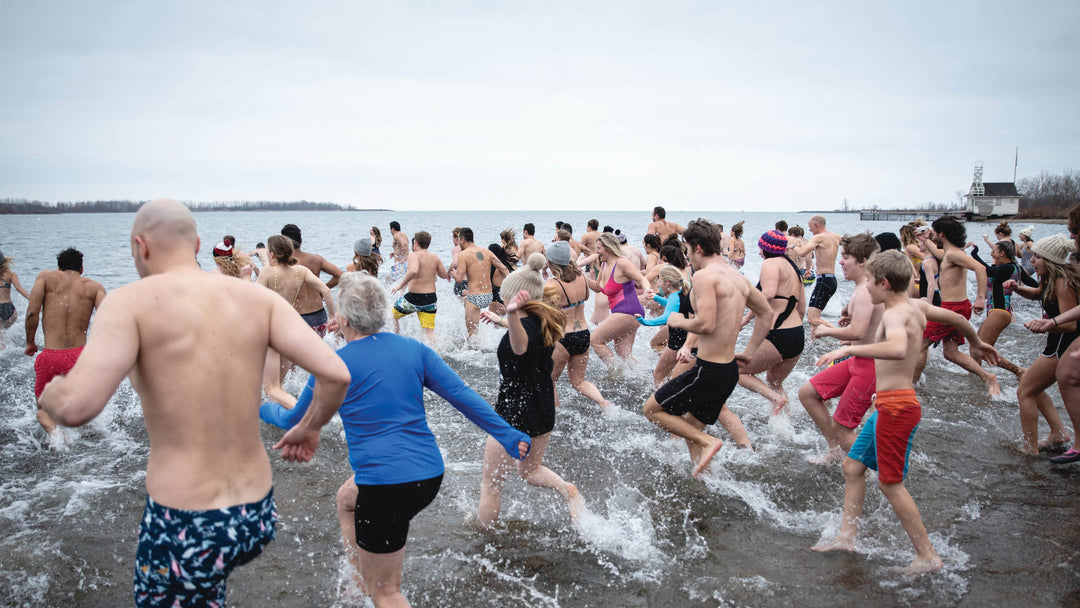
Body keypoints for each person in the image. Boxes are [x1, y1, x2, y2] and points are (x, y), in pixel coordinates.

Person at [37, 199, 351, 607]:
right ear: (198, 244)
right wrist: (309, 427)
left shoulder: (129, 303)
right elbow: (336, 374)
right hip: (254, 514)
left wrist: (51, 394)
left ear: (139, 246)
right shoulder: (256, 299)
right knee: (206, 591)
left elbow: (78, 407)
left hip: (185, 517)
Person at [263, 272, 529, 608]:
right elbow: (461, 395)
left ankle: (373, 589)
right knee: (347, 498)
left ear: (342, 318)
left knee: (388, 593)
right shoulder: (414, 350)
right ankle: (360, 583)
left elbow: (292, 420)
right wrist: (507, 433)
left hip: (386, 485)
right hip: (428, 475)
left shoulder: (335, 365)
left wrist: (258, 410)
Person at [811, 250, 999, 574]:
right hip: (892, 405)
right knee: (853, 466)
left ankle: (927, 557)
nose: (866, 287)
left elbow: (897, 348)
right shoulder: (917, 306)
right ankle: (847, 537)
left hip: (897, 407)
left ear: (884, 283)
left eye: (870, 280)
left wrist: (847, 348)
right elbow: (959, 319)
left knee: (890, 484)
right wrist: (976, 342)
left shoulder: (895, 314)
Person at [642, 219, 773, 476]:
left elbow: (706, 323)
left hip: (708, 370)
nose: (687, 256)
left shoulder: (704, 277)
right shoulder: (738, 278)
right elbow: (766, 313)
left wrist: (676, 319)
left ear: (698, 248)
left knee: (651, 410)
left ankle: (709, 442)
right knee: (691, 426)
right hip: (727, 372)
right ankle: (706, 481)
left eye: (688, 250)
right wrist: (748, 352)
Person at [477, 255, 585, 527]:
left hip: (513, 411)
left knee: (490, 487)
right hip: (542, 407)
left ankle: (482, 540)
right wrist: (501, 318)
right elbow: (525, 335)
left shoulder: (522, 324)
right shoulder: (545, 320)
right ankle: (567, 490)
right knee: (530, 471)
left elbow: (520, 346)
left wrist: (510, 315)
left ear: (516, 298)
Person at [798, 233, 884, 463]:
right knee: (808, 393)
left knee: (842, 425)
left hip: (870, 366)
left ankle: (879, 473)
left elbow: (857, 331)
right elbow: (864, 330)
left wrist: (829, 330)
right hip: (856, 360)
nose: (841, 261)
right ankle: (835, 450)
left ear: (863, 260)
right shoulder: (861, 289)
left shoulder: (866, 290)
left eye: (846, 257)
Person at [1006, 234, 1078, 454]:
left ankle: (1030, 448)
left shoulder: (1062, 282)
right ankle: (1057, 433)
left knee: (1025, 391)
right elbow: (1038, 294)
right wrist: (1017, 288)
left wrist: (1045, 324)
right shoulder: (1049, 279)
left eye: (1037, 257)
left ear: (1050, 259)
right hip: (1056, 345)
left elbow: (1072, 324)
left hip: (1063, 347)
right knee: (1031, 385)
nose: (1032, 261)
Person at [23, 247, 106, 438]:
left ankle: (55, 434)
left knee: (43, 410)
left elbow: (32, 313)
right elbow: (108, 318)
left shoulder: (45, 278)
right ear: (82, 269)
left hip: (51, 356)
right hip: (80, 357)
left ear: (59, 268)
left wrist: (30, 343)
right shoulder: (94, 287)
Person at [913, 216, 1000, 396]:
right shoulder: (950, 253)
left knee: (920, 344)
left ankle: (910, 387)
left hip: (952, 308)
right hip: (956, 306)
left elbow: (980, 268)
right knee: (950, 353)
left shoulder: (953, 254)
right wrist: (926, 239)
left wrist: (981, 297)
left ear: (942, 233)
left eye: (935, 232)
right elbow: (939, 255)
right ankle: (987, 377)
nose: (933, 235)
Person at [737, 230, 807, 416]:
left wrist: (740, 307)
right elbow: (802, 308)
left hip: (778, 334)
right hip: (797, 335)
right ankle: (784, 426)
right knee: (775, 383)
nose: (759, 252)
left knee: (738, 372)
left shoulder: (770, 263)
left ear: (767, 248)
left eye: (761, 248)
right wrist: (746, 319)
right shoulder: (793, 269)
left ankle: (777, 400)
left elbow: (767, 294)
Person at [544, 242, 611, 410]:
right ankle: (604, 403)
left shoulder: (551, 284)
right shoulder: (581, 277)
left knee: (549, 381)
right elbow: (594, 291)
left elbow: (540, 312)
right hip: (583, 334)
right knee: (579, 381)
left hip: (562, 337)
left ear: (551, 263)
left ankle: (555, 416)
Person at [969, 239, 1036, 377]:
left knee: (982, 350)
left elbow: (988, 271)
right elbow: (1032, 283)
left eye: (994, 251)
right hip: (998, 312)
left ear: (1003, 253)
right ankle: (976, 376)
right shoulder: (1016, 268)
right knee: (975, 348)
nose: (992, 254)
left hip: (999, 312)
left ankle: (1019, 371)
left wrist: (974, 255)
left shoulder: (1009, 267)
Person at [584, 233, 648, 364]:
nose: (596, 252)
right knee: (624, 356)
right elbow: (597, 287)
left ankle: (614, 372)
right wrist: (580, 276)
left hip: (629, 311)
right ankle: (640, 378)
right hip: (622, 313)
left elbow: (641, 278)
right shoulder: (604, 264)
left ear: (608, 248)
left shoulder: (622, 263)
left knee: (595, 340)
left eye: (599, 248)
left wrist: (648, 290)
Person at [257, 235, 337, 333]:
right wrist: (332, 316)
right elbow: (326, 291)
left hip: (281, 326)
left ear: (272, 254)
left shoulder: (266, 271)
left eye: (267, 252)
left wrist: (246, 277)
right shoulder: (301, 270)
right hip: (314, 324)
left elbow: (255, 298)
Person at [281, 224, 343, 336]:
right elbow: (341, 275)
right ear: (301, 240)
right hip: (320, 317)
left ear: (283, 244)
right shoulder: (316, 259)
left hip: (299, 317)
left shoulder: (284, 264)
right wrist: (323, 289)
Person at [637, 265, 694, 387]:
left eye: (660, 281)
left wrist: (643, 321)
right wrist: (656, 298)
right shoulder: (681, 293)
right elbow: (672, 305)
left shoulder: (674, 297)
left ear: (668, 283)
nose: (658, 284)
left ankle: (662, 403)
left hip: (676, 343)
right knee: (669, 374)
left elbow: (666, 318)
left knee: (658, 375)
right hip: (683, 339)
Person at [387, 231, 448, 345]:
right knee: (429, 332)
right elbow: (444, 276)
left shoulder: (414, 255)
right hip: (430, 299)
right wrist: (451, 272)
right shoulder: (435, 257)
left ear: (416, 243)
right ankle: (438, 351)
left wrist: (400, 285)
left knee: (391, 315)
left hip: (413, 299)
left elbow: (413, 271)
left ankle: (395, 342)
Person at [454, 228, 508, 339]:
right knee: (465, 301)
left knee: (472, 333)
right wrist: (509, 286)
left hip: (474, 297)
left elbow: (459, 279)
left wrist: (454, 274)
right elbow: (504, 268)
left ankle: (472, 348)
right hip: (488, 296)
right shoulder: (486, 252)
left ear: (463, 240)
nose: (459, 242)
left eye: (459, 240)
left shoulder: (463, 255)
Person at [794, 215, 842, 327]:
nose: (809, 230)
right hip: (832, 280)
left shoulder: (818, 238)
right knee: (816, 317)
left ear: (816, 225)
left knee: (812, 319)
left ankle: (839, 333)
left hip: (824, 281)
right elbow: (854, 245)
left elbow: (802, 252)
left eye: (810, 227)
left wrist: (794, 247)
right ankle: (814, 342)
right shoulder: (836, 236)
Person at [0, 247, 31, 349]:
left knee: (1, 340)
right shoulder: (10, 274)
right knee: (3, 334)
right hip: (10, 310)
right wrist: (33, 300)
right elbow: (19, 288)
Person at [448, 228, 468, 299]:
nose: (452, 240)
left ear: (456, 238)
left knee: (460, 304)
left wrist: (449, 273)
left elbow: (455, 263)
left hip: (460, 281)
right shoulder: (469, 248)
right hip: (470, 281)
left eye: (453, 238)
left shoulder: (456, 249)